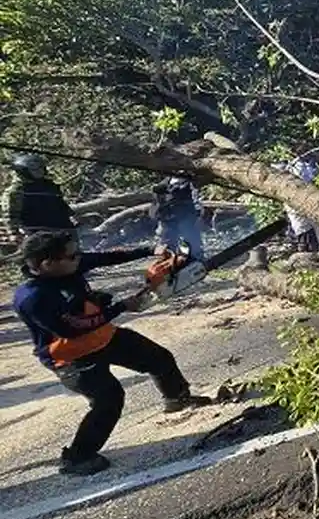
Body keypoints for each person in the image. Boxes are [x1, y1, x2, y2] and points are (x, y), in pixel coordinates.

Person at [13, 232, 211, 475]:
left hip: (101, 335)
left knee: (158, 358)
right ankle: (78, 457)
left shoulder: (68, 266)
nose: (79, 258)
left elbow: (105, 258)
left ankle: (177, 398)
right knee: (109, 399)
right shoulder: (32, 298)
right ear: (47, 264)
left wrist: (151, 250)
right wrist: (120, 307)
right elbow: (71, 329)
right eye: (72, 255)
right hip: (70, 355)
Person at [2, 153, 75, 247]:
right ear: (23, 171)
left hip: (64, 230)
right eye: (35, 169)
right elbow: (10, 216)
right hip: (38, 236)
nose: (39, 171)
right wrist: (14, 233)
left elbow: (61, 205)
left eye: (41, 168)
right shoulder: (16, 192)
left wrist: (72, 217)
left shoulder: (50, 185)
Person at [151, 177, 206, 261]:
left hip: (185, 216)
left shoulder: (189, 183)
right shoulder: (163, 185)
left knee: (190, 240)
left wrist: (198, 214)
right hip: (168, 218)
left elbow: (195, 198)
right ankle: (169, 261)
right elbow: (155, 206)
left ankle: (196, 259)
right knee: (168, 242)